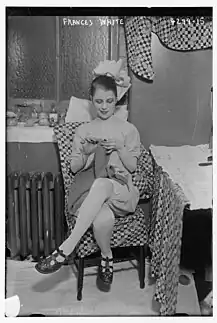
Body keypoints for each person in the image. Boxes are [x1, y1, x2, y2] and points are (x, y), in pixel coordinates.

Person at [35, 74, 141, 287]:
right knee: (102, 219)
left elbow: (132, 167)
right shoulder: (83, 130)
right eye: (99, 101)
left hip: (122, 193)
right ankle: (107, 257)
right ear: (91, 100)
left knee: (102, 184)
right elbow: (74, 168)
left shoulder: (128, 129)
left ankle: (65, 249)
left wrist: (120, 146)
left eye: (109, 101)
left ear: (116, 100)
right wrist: (88, 152)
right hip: (93, 195)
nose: (104, 106)